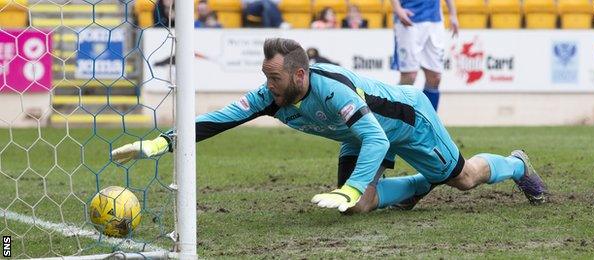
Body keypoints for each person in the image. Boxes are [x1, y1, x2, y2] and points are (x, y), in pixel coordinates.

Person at [111, 38, 547, 214]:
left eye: (275, 78)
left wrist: (353, 184)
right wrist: (161, 144)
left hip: (408, 122)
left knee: (465, 179)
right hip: (361, 133)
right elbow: (217, 121)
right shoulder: (273, 97)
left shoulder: (332, 89)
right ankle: (417, 186)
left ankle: (516, 164)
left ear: (300, 76)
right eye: (266, 77)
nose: (268, 86)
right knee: (354, 209)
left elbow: (376, 135)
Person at [390, 0, 459, 111]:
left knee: (435, 77)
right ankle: (393, 117)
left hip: (434, 20)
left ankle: (428, 124)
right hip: (409, 18)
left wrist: (453, 14)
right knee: (409, 76)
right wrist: (397, 9)